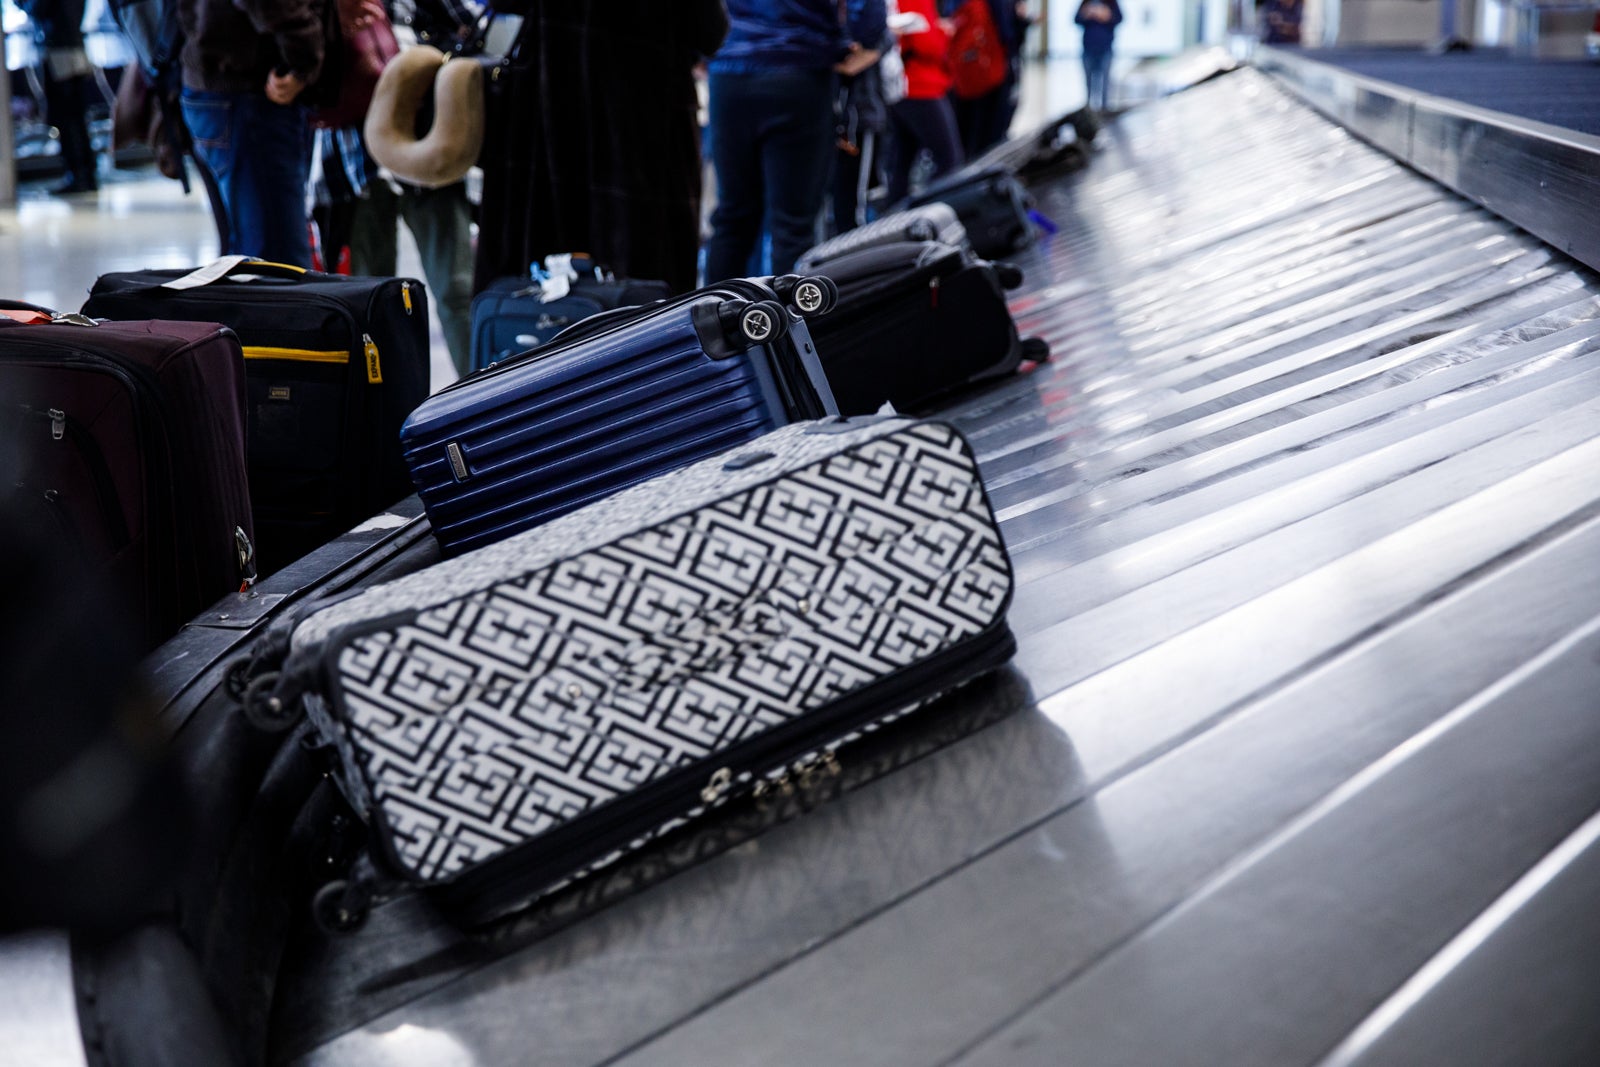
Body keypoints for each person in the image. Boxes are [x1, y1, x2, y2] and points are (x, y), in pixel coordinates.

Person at [317, 0, 476, 374]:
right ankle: (379, 413)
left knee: (457, 289)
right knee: (369, 301)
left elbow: (468, 33)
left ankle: (482, 401)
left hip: (428, 148)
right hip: (352, 156)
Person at [703, 0, 888, 284]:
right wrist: (859, 41)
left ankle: (716, 320)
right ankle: (789, 322)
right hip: (800, 69)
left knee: (732, 217)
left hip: (730, 70)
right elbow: (867, 12)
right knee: (793, 226)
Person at [176, 0, 327, 266]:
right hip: (247, 91)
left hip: (228, 87)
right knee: (276, 262)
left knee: (254, 251)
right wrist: (303, 57)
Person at [884, 0, 963, 206]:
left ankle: (895, 214)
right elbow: (928, 45)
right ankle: (930, 216)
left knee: (903, 160)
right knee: (949, 159)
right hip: (919, 87)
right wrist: (943, 33)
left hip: (905, 87)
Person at [20, 0, 99, 194]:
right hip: (75, 45)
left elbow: (37, 8)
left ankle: (77, 174)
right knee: (78, 116)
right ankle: (86, 174)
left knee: (67, 117)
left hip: (59, 49)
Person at [951, 0, 1030, 159]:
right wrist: (1021, 22)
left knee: (970, 129)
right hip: (990, 72)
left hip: (969, 74)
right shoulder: (996, 4)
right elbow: (1008, 35)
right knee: (990, 130)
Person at [1075, 0, 1122, 114]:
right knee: (1088, 81)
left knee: (1105, 80)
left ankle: (1104, 110)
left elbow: (1119, 19)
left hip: (1105, 48)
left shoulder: (1111, 2)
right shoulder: (1085, 2)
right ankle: (1089, 109)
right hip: (1088, 48)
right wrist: (1086, 15)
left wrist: (1106, 16)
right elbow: (1076, 19)